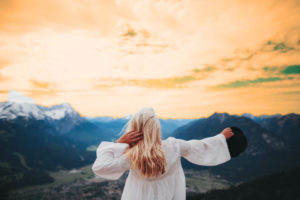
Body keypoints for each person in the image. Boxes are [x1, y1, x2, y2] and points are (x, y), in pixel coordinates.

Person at [92, 107, 234, 200]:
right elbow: (199, 146)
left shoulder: (132, 156)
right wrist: (220, 138)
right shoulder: (174, 146)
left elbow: (101, 167)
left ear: (134, 129)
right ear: (156, 129)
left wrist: (119, 143)